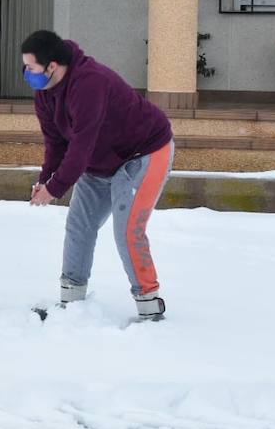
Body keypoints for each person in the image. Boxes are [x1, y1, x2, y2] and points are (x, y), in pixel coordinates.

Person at [21, 30, 175, 320]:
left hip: (143, 154)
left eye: (31, 67)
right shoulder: (44, 94)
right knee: (79, 225)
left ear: (52, 65)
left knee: (128, 230)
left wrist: (55, 188)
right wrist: (45, 179)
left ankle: (151, 308)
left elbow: (81, 144)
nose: (26, 73)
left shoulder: (90, 82)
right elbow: (56, 142)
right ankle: (71, 305)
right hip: (98, 162)